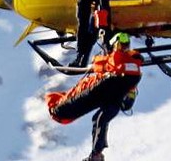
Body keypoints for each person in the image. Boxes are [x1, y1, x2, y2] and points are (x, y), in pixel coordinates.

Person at [45, 32, 143, 161]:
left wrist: (98, 62)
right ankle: (96, 154)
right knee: (99, 119)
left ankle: (96, 154)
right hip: (114, 95)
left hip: (108, 87)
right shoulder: (132, 65)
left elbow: (105, 65)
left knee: (86, 113)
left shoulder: (118, 59)